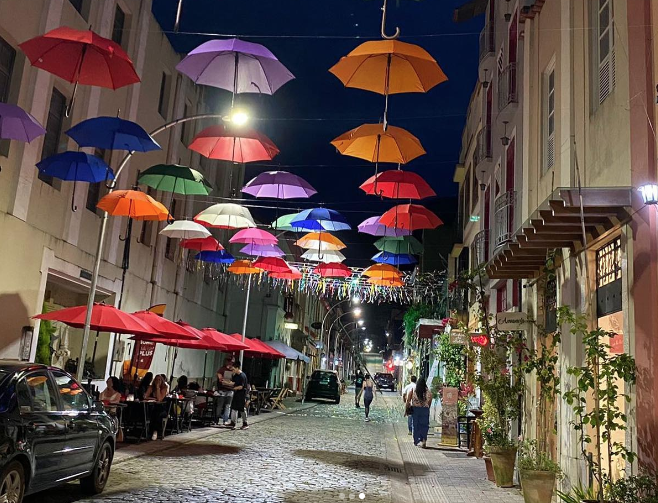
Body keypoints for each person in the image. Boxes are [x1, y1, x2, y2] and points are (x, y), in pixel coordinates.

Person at [406, 376, 432, 448]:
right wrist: (427, 408)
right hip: (425, 410)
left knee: (416, 425)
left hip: (416, 410)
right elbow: (430, 400)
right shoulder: (428, 391)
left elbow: (408, 400)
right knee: (424, 425)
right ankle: (424, 440)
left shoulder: (414, 390)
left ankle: (416, 440)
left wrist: (406, 409)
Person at [222, 360, 249, 430]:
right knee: (234, 408)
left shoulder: (242, 376)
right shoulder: (235, 375)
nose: (232, 370)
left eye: (233, 369)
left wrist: (234, 388)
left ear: (237, 368)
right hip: (236, 393)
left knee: (242, 409)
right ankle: (233, 422)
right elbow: (233, 382)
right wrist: (226, 383)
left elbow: (241, 386)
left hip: (242, 394)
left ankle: (245, 423)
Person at [145, 374, 170, 440]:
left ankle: (155, 431)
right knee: (151, 411)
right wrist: (152, 398)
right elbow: (145, 396)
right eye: (156, 380)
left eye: (159, 380)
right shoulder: (151, 387)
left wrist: (158, 388)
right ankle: (150, 431)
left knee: (157, 412)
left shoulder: (164, 388)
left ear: (162, 381)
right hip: (152, 406)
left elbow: (159, 399)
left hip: (162, 408)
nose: (158, 381)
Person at [215, 357, 235, 425]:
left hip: (230, 390)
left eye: (232, 362)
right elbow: (220, 378)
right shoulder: (222, 369)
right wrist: (223, 379)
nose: (230, 363)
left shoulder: (234, 370)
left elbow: (236, 380)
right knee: (220, 406)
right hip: (222, 390)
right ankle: (217, 419)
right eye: (229, 361)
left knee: (227, 406)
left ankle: (225, 420)